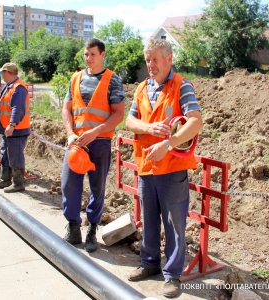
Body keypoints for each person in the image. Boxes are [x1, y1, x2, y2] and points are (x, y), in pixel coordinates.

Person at [125, 39, 203, 298]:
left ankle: (173, 275)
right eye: (148, 60)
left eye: (155, 59)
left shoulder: (182, 86)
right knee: (148, 220)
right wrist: (148, 128)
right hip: (147, 166)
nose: (150, 65)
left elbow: (195, 122)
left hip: (171, 168)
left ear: (169, 59)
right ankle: (149, 264)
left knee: (174, 224)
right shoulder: (142, 88)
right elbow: (129, 120)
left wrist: (168, 144)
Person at [61, 38, 125, 253]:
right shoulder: (76, 78)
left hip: (100, 142)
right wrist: (70, 133)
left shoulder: (112, 80)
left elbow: (118, 114)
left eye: (93, 55)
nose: (88, 59)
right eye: (86, 55)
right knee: (69, 185)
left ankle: (92, 229)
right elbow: (66, 109)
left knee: (97, 188)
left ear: (102, 55)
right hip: (76, 142)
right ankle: (73, 226)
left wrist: (96, 131)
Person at [0, 63, 30, 193]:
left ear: (8, 72)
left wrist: (12, 125)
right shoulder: (9, 87)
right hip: (8, 129)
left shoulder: (18, 88)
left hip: (16, 130)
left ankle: (18, 183)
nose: (1, 75)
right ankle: (4, 180)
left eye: (3, 72)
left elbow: (17, 109)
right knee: (5, 155)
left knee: (15, 156)